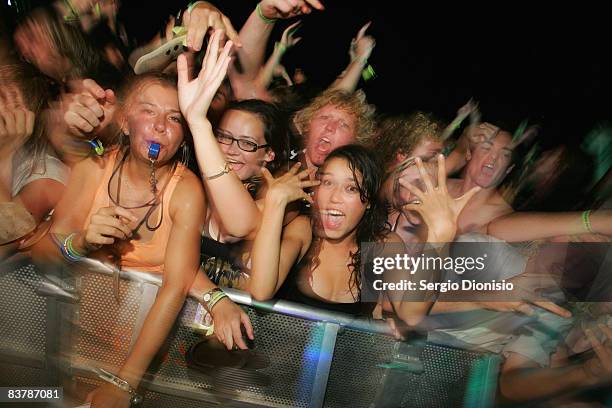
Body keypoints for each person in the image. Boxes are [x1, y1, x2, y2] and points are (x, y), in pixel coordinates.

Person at [32, 32, 251, 407]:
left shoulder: (187, 191)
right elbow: (51, 246)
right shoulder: (93, 168)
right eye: (148, 111)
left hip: (139, 352)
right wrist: (81, 243)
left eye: (173, 118)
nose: (160, 126)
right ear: (125, 120)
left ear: (184, 135)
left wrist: (124, 385)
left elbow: (175, 285)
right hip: (72, 338)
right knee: (30, 398)